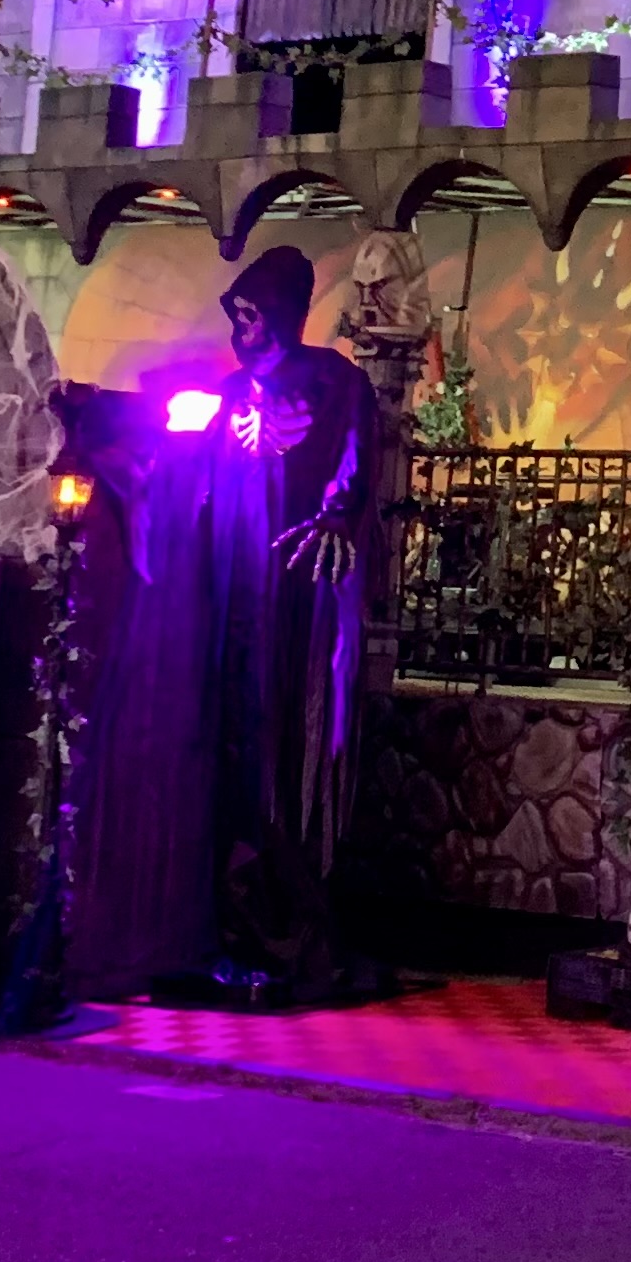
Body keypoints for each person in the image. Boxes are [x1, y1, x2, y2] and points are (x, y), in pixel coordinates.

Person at [56, 245, 386, 1007]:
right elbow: (187, 474)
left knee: (286, 752)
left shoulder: (336, 382)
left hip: (296, 599)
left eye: (255, 315)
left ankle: (284, 921)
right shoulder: (231, 393)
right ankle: (231, 927)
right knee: (229, 744)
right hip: (227, 595)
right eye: (236, 317)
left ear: (283, 314)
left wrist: (336, 507)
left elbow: (355, 463)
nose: (245, 331)